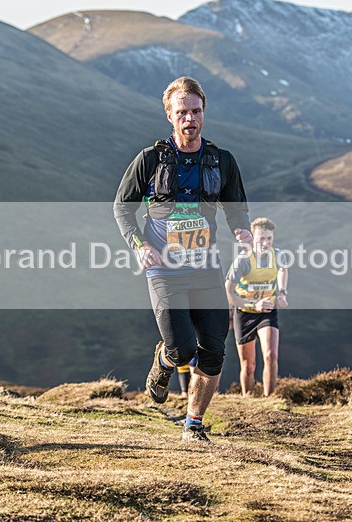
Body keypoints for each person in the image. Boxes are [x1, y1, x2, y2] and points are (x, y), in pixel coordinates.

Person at [114, 76, 252, 442]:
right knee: (182, 349)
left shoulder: (221, 161)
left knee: (214, 352)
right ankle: (164, 359)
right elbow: (122, 209)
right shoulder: (150, 160)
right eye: (182, 112)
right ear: (170, 116)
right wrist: (139, 244)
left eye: (196, 111)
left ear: (204, 111)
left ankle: (193, 424)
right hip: (164, 271)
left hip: (206, 268)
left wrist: (244, 231)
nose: (190, 118)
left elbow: (237, 209)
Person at [225, 218, 288, 397]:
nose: (265, 243)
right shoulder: (243, 261)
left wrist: (282, 292)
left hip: (267, 312)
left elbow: (283, 270)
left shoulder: (278, 255)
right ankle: (248, 400)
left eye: (269, 238)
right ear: (253, 238)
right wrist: (254, 304)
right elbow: (229, 294)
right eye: (261, 239)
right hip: (244, 313)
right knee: (248, 365)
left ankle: (270, 400)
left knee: (270, 356)